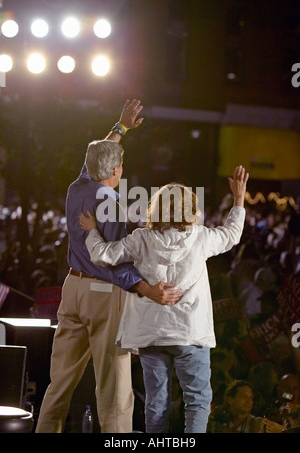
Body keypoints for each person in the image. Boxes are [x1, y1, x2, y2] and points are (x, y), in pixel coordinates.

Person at [35, 99, 182, 434]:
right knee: (114, 391)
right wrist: (147, 289)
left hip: (71, 290)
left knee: (58, 384)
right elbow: (115, 263)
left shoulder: (77, 189)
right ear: (117, 172)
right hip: (104, 295)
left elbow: (95, 162)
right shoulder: (112, 203)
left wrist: (121, 128)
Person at [79, 165, 249, 433]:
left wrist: (91, 231)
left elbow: (104, 256)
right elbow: (231, 235)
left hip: (152, 334)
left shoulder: (142, 239)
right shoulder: (200, 237)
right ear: (190, 209)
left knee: (156, 402)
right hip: (189, 333)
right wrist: (238, 199)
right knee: (197, 400)